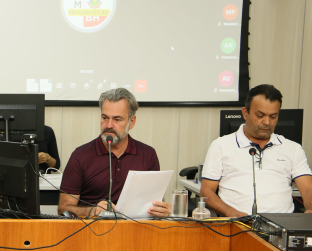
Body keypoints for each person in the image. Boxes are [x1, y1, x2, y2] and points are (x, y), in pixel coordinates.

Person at [200, 84, 312, 216]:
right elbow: (206, 192)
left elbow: (307, 189)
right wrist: (233, 214)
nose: (267, 122)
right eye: (260, 115)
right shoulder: (221, 145)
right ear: (245, 113)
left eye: (273, 116)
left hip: (282, 225)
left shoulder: (293, 148)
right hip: (237, 224)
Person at [58, 88, 172, 217]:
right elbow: (63, 209)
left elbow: (154, 204)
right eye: (105, 117)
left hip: (134, 231)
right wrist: (92, 211)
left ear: (132, 122)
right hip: (92, 231)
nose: (109, 125)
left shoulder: (148, 154)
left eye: (117, 119)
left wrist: (162, 210)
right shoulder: (80, 155)